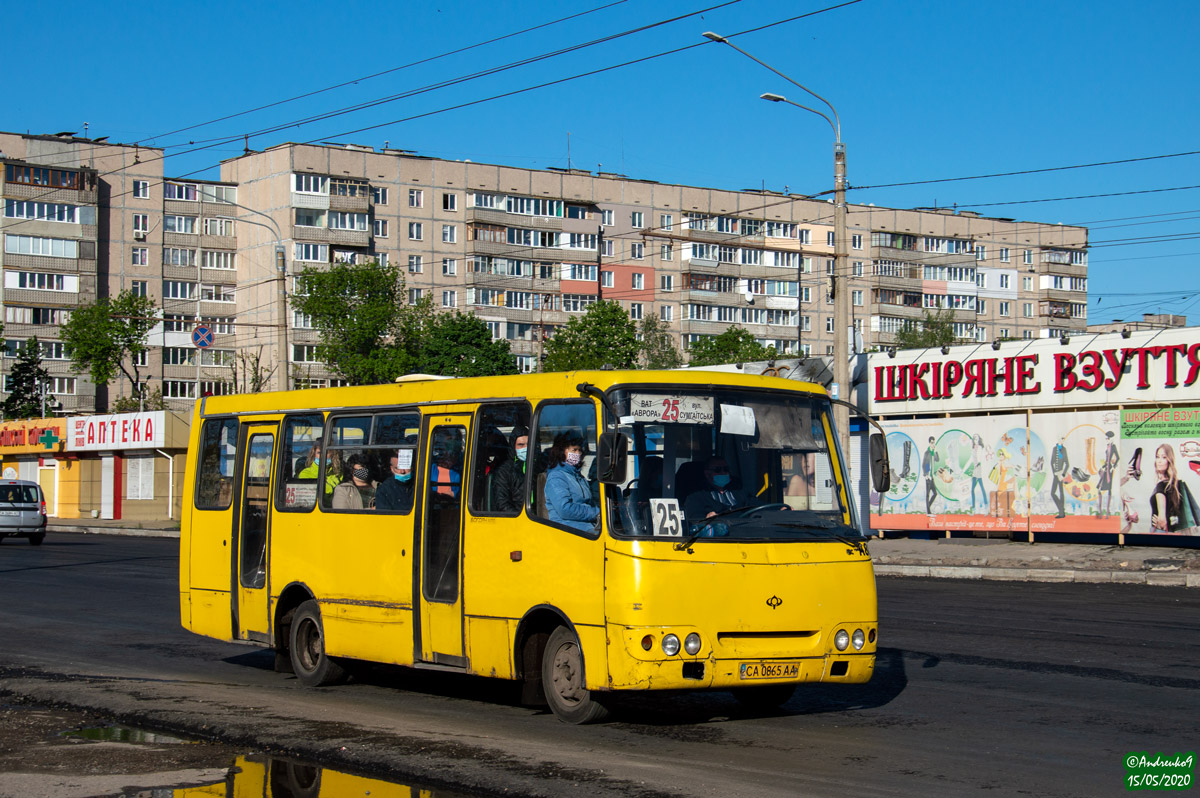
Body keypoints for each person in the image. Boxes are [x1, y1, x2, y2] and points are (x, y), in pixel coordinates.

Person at [543, 432, 599, 531]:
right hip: (568, 530)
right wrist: (596, 513)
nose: (578, 454)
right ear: (562, 451)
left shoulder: (578, 477)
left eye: (580, 450)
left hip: (586, 528)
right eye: (574, 450)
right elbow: (564, 509)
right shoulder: (556, 477)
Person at [684, 456, 760, 519]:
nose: (723, 472)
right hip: (720, 534)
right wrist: (706, 517)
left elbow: (755, 504)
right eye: (718, 470)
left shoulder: (739, 490)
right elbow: (694, 518)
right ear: (707, 473)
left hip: (743, 531)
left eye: (726, 469)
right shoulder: (696, 495)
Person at [491, 425, 529, 512]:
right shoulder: (504, 471)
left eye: (528, 444)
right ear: (513, 447)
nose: (525, 448)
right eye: (521, 445)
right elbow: (502, 504)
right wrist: (520, 519)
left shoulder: (537, 466)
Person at [1150, 443, 1182, 532]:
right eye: (1157, 457)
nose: (1159, 461)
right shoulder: (1174, 485)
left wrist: (1160, 522)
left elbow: (1162, 521)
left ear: (1169, 460)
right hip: (1173, 531)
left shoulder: (1161, 485)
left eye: (1164, 457)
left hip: (1159, 532)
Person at [1096, 431, 1119, 518]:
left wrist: (1113, 467)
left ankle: (1107, 510)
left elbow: (1118, 457)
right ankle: (1101, 510)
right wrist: (1103, 466)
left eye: (1108, 438)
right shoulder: (1108, 446)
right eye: (1106, 438)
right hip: (1106, 468)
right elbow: (1107, 459)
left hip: (1109, 470)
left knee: (1108, 488)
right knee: (1100, 488)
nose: (1106, 440)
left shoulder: (1113, 447)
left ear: (1111, 438)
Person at [1050, 436, 1069, 519]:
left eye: (1063, 439)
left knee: (1061, 492)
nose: (1062, 440)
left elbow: (1067, 463)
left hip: (1061, 474)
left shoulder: (1064, 449)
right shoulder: (1054, 449)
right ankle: (1061, 509)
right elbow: (1052, 462)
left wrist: (1063, 474)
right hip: (1056, 474)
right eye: (1061, 438)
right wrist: (1054, 471)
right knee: (1052, 493)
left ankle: (1062, 513)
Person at [969, 435, 988, 515]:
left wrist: (977, 465)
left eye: (976, 438)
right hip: (975, 469)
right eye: (974, 439)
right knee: (972, 489)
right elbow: (971, 459)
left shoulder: (979, 448)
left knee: (982, 488)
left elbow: (979, 459)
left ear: (979, 439)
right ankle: (973, 509)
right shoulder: (973, 449)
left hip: (979, 468)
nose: (975, 440)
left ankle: (986, 508)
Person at [922, 436, 939, 515]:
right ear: (929, 443)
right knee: (928, 494)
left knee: (935, 493)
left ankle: (928, 507)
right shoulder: (927, 453)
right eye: (932, 442)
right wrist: (926, 475)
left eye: (934, 442)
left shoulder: (933, 453)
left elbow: (937, 459)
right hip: (928, 476)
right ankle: (928, 512)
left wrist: (935, 451)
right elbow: (923, 464)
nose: (933, 444)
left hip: (932, 476)